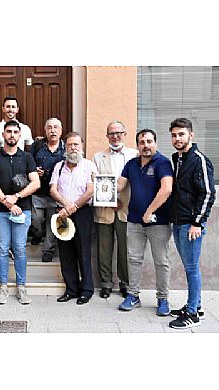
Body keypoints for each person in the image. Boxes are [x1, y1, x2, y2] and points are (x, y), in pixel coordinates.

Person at [117, 129, 173, 316]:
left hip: (159, 222)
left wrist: (150, 211)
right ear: (137, 145)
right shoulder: (131, 164)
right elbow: (119, 185)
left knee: (161, 262)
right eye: (142, 142)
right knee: (133, 260)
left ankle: (163, 299)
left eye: (149, 141)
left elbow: (166, 189)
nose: (146, 145)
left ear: (155, 143)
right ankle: (133, 296)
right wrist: (99, 185)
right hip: (134, 221)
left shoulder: (163, 162)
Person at [168, 118, 216, 329]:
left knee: (191, 268)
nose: (177, 138)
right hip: (178, 221)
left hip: (191, 225)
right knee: (190, 267)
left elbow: (207, 194)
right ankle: (196, 305)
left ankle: (192, 314)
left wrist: (197, 222)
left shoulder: (199, 160)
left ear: (191, 135)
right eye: (174, 135)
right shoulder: (177, 158)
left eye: (181, 134)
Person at [0, 120, 40, 305]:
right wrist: (8, 203)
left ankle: (21, 287)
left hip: (22, 210)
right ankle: (3, 287)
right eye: (9, 132)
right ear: (3, 134)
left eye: (15, 132)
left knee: (20, 249)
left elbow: (36, 183)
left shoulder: (27, 158)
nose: (12, 135)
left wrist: (16, 197)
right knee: (2, 248)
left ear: (20, 135)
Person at [50, 132, 97, 305]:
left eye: (76, 144)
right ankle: (71, 289)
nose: (73, 148)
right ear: (65, 147)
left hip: (82, 213)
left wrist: (74, 206)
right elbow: (53, 190)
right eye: (70, 145)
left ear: (82, 146)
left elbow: (91, 190)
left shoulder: (89, 166)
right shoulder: (59, 167)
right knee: (66, 252)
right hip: (62, 214)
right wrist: (66, 205)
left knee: (83, 252)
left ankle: (86, 290)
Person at [93, 121, 138, 298]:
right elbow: (97, 183)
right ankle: (105, 284)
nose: (115, 136)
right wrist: (111, 201)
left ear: (124, 134)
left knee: (125, 250)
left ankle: (125, 284)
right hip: (105, 209)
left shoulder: (134, 155)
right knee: (104, 249)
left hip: (127, 209)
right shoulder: (97, 157)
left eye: (118, 133)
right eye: (111, 133)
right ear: (107, 136)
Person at [30, 118, 66, 262]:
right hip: (37, 192)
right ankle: (37, 234)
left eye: (56, 127)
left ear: (61, 131)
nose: (53, 130)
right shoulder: (37, 146)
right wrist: (33, 170)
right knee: (36, 220)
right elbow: (28, 162)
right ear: (45, 131)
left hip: (56, 194)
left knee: (52, 224)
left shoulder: (65, 148)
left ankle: (48, 251)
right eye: (49, 127)